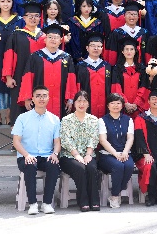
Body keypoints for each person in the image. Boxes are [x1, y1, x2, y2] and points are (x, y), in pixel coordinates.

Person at [12, 86, 61, 215]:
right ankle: (32, 204)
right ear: (32, 99)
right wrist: (26, 155)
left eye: (44, 96)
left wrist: (55, 154)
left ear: (48, 98)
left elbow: (57, 142)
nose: (41, 98)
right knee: (30, 165)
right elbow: (16, 141)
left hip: (46, 155)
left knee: (54, 165)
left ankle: (47, 203)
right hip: (26, 155)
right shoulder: (22, 118)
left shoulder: (54, 119)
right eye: (38, 96)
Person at [58, 91, 101, 211]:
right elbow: (65, 140)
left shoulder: (93, 120)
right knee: (80, 168)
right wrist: (76, 155)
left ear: (88, 104)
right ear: (74, 103)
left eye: (84, 101)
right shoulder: (66, 120)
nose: (81, 104)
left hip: (88, 154)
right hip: (69, 156)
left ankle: (94, 200)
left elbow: (94, 138)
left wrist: (88, 154)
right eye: (79, 101)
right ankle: (83, 200)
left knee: (91, 168)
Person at [96, 93, 135, 209]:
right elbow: (102, 140)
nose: (115, 105)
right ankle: (115, 196)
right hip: (107, 154)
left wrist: (125, 152)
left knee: (129, 166)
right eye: (112, 103)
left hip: (124, 153)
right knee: (118, 166)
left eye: (118, 103)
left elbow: (130, 138)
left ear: (122, 105)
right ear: (108, 106)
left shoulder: (128, 120)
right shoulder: (102, 120)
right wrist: (115, 153)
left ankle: (117, 191)